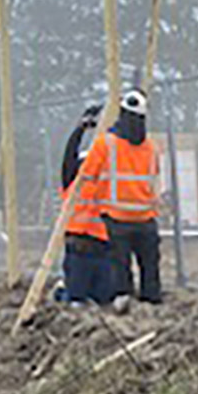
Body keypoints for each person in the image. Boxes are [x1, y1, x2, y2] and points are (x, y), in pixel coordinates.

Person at [76, 88, 163, 305]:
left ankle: (124, 301)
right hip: (146, 218)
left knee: (120, 268)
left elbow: (87, 176)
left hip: (116, 218)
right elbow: (154, 178)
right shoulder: (152, 148)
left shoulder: (105, 144)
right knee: (150, 269)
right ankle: (151, 301)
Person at [56, 102, 116, 304]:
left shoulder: (105, 183)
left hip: (103, 251)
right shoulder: (72, 183)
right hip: (78, 252)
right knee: (77, 299)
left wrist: (109, 128)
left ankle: (69, 290)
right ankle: (62, 292)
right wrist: (80, 130)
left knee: (104, 298)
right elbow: (69, 156)